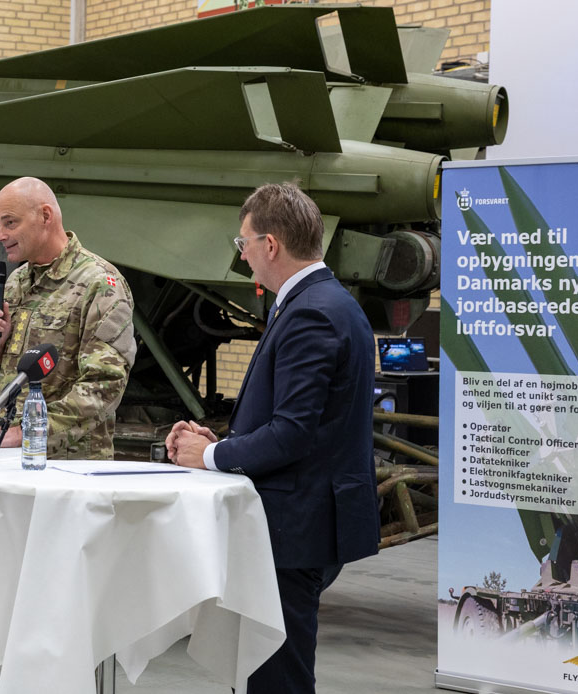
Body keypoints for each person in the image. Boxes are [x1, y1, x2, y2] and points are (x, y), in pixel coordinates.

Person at [166, 182, 379, 694]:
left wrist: (210, 455)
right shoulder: (325, 301)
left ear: (271, 245)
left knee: (278, 677)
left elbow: (292, 434)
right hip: (302, 517)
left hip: (294, 525)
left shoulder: (309, 312)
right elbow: (302, 420)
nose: (243, 255)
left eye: (244, 244)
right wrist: (218, 440)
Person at [0, 177, 136, 459]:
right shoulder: (16, 283)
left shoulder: (99, 284)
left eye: (9, 223)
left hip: (70, 468)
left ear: (45, 216)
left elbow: (104, 386)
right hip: (11, 459)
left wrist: (24, 432)